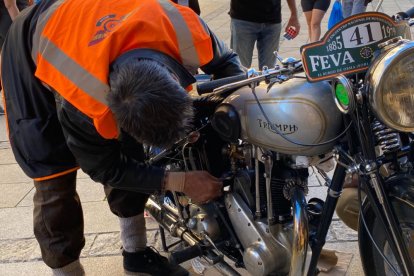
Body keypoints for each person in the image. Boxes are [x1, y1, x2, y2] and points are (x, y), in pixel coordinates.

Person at [1, 0, 244, 275]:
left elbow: (228, 65)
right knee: (53, 178)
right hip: (30, 47)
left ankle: (136, 255)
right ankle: (67, 271)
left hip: (93, 24)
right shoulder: (84, 95)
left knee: (130, 152)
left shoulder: (181, 26)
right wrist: (181, 182)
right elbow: (106, 168)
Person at [229, 0, 301, 69]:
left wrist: (294, 15)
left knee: (269, 71)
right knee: (240, 69)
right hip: (243, 19)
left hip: (273, 20)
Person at [0, 0, 28, 115]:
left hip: (8, 18)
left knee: (6, 62)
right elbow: (10, 4)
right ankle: (20, 105)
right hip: (11, 19)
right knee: (18, 63)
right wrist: (20, 27)